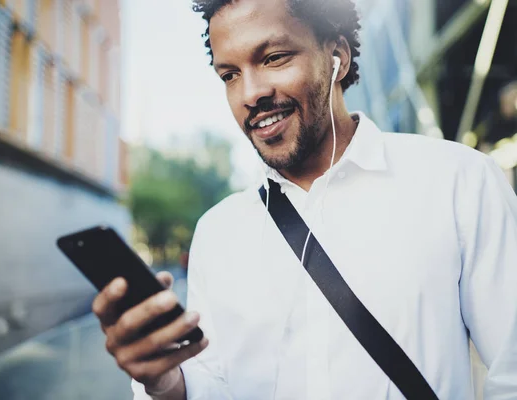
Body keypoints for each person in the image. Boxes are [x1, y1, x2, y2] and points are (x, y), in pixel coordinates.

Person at [92, 0, 517, 398]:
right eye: (229, 75)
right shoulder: (218, 232)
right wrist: (167, 382)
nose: (249, 94)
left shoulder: (458, 182)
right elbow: (213, 384)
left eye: (273, 58)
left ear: (337, 58)